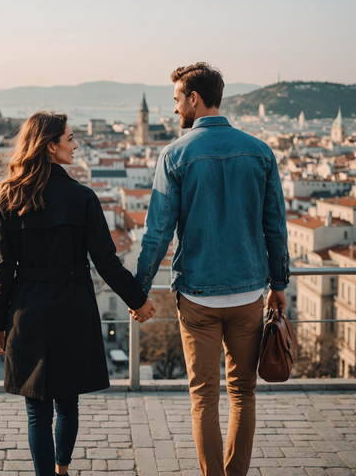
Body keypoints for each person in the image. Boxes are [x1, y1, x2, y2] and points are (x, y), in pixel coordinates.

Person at [132, 63, 290, 476]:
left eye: (176, 100)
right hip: (248, 294)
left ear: (194, 99)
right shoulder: (260, 151)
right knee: (243, 395)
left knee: (204, 396)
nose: (174, 109)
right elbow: (275, 226)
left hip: (199, 295)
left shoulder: (175, 154)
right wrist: (279, 283)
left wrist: (138, 289)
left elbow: (157, 234)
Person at [0, 111, 156, 476]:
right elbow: (106, 263)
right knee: (67, 403)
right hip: (73, 306)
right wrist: (138, 300)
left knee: (36, 412)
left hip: (27, 308)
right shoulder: (83, 198)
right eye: (70, 138)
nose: (76, 144)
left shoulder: (9, 198)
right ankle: (62, 470)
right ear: (50, 147)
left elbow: (0, 270)